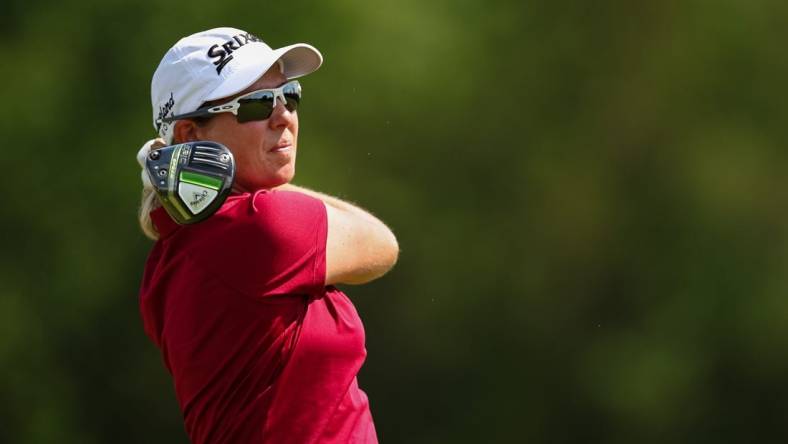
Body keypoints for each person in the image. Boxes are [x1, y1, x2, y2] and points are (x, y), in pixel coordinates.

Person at [136, 27, 399, 444]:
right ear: (190, 135)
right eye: (256, 105)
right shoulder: (264, 226)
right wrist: (267, 186)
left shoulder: (166, 260)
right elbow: (382, 244)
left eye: (288, 95)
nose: (284, 116)